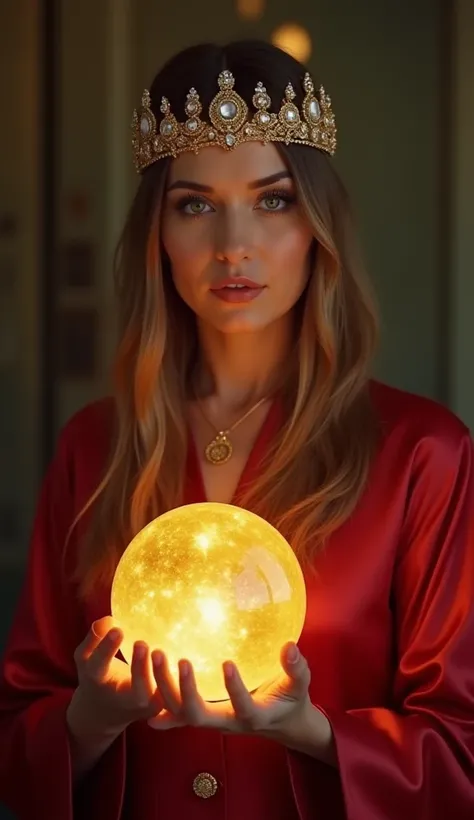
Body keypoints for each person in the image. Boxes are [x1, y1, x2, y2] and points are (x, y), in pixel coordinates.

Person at [0, 39, 473, 820]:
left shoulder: (422, 454)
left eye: (274, 199)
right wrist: (91, 717)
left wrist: (315, 734)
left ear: (318, 223)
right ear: (158, 232)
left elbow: (460, 752)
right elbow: (18, 744)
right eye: (195, 205)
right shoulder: (94, 448)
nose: (233, 246)